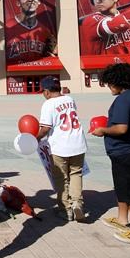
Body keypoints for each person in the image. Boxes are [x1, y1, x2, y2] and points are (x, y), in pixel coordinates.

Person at [91, 63, 130, 248]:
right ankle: (122, 219)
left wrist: (102, 130)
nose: (109, 87)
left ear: (118, 82)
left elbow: (121, 128)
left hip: (128, 152)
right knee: (122, 187)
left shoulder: (124, 100)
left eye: (109, 83)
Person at [36, 76, 88, 222]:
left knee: (61, 178)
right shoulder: (70, 100)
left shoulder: (48, 104)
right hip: (78, 143)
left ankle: (66, 210)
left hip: (60, 146)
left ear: (46, 91)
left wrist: (36, 138)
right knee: (76, 173)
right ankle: (78, 203)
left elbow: (46, 128)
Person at [5, 0, 57, 65]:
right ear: (18, 3)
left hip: (37, 74)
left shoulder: (45, 31)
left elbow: (52, 55)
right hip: (13, 74)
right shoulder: (6, 27)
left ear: (39, 2)